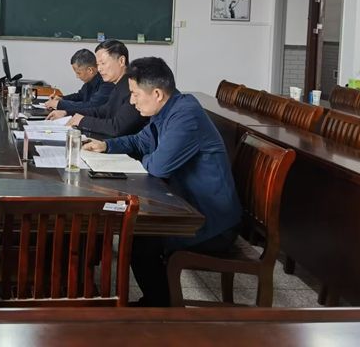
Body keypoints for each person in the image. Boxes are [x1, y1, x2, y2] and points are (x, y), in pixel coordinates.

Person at [83, 56, 242, 306]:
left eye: (135, 94)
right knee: (136, 234)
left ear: (156, 93)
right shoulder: (168, 109)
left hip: (212, 221)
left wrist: (148, 157)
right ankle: (154, 301)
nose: (132, 101)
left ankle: (159, 307)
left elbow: (158, 167)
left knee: (140, 239)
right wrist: (106, 145)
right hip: (189, 205)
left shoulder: (185, 116)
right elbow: (139, 141)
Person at [47, 39, 147, 137]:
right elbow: (102, 111)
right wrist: (66, 113)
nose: (99, 69)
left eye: (103, 63)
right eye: (98, 64)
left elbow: (116, 127)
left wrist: (82, 120)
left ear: (121, 61)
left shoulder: (134, 87)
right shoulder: (119, 84)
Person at [44, 48, 113, 113]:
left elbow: (91, 106)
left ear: (90, 70)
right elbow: (80, 96)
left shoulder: (107, 82)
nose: (77, 76)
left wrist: (59, 104)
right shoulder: (90, 81)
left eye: (78, 73)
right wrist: (62, 99)